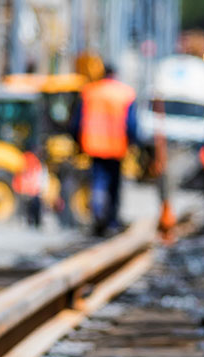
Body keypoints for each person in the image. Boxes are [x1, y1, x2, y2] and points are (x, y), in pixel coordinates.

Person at [70, 65, 138, 236]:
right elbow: (131, 125)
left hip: (94, 146)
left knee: (98, 182)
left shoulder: (90, 92)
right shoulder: (125, 93)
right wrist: (133, 142)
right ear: (115, 74)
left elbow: (77, 121)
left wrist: (77, 142)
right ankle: (112, 220)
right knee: (114, 185)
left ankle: (98, 216)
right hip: (116, 147)